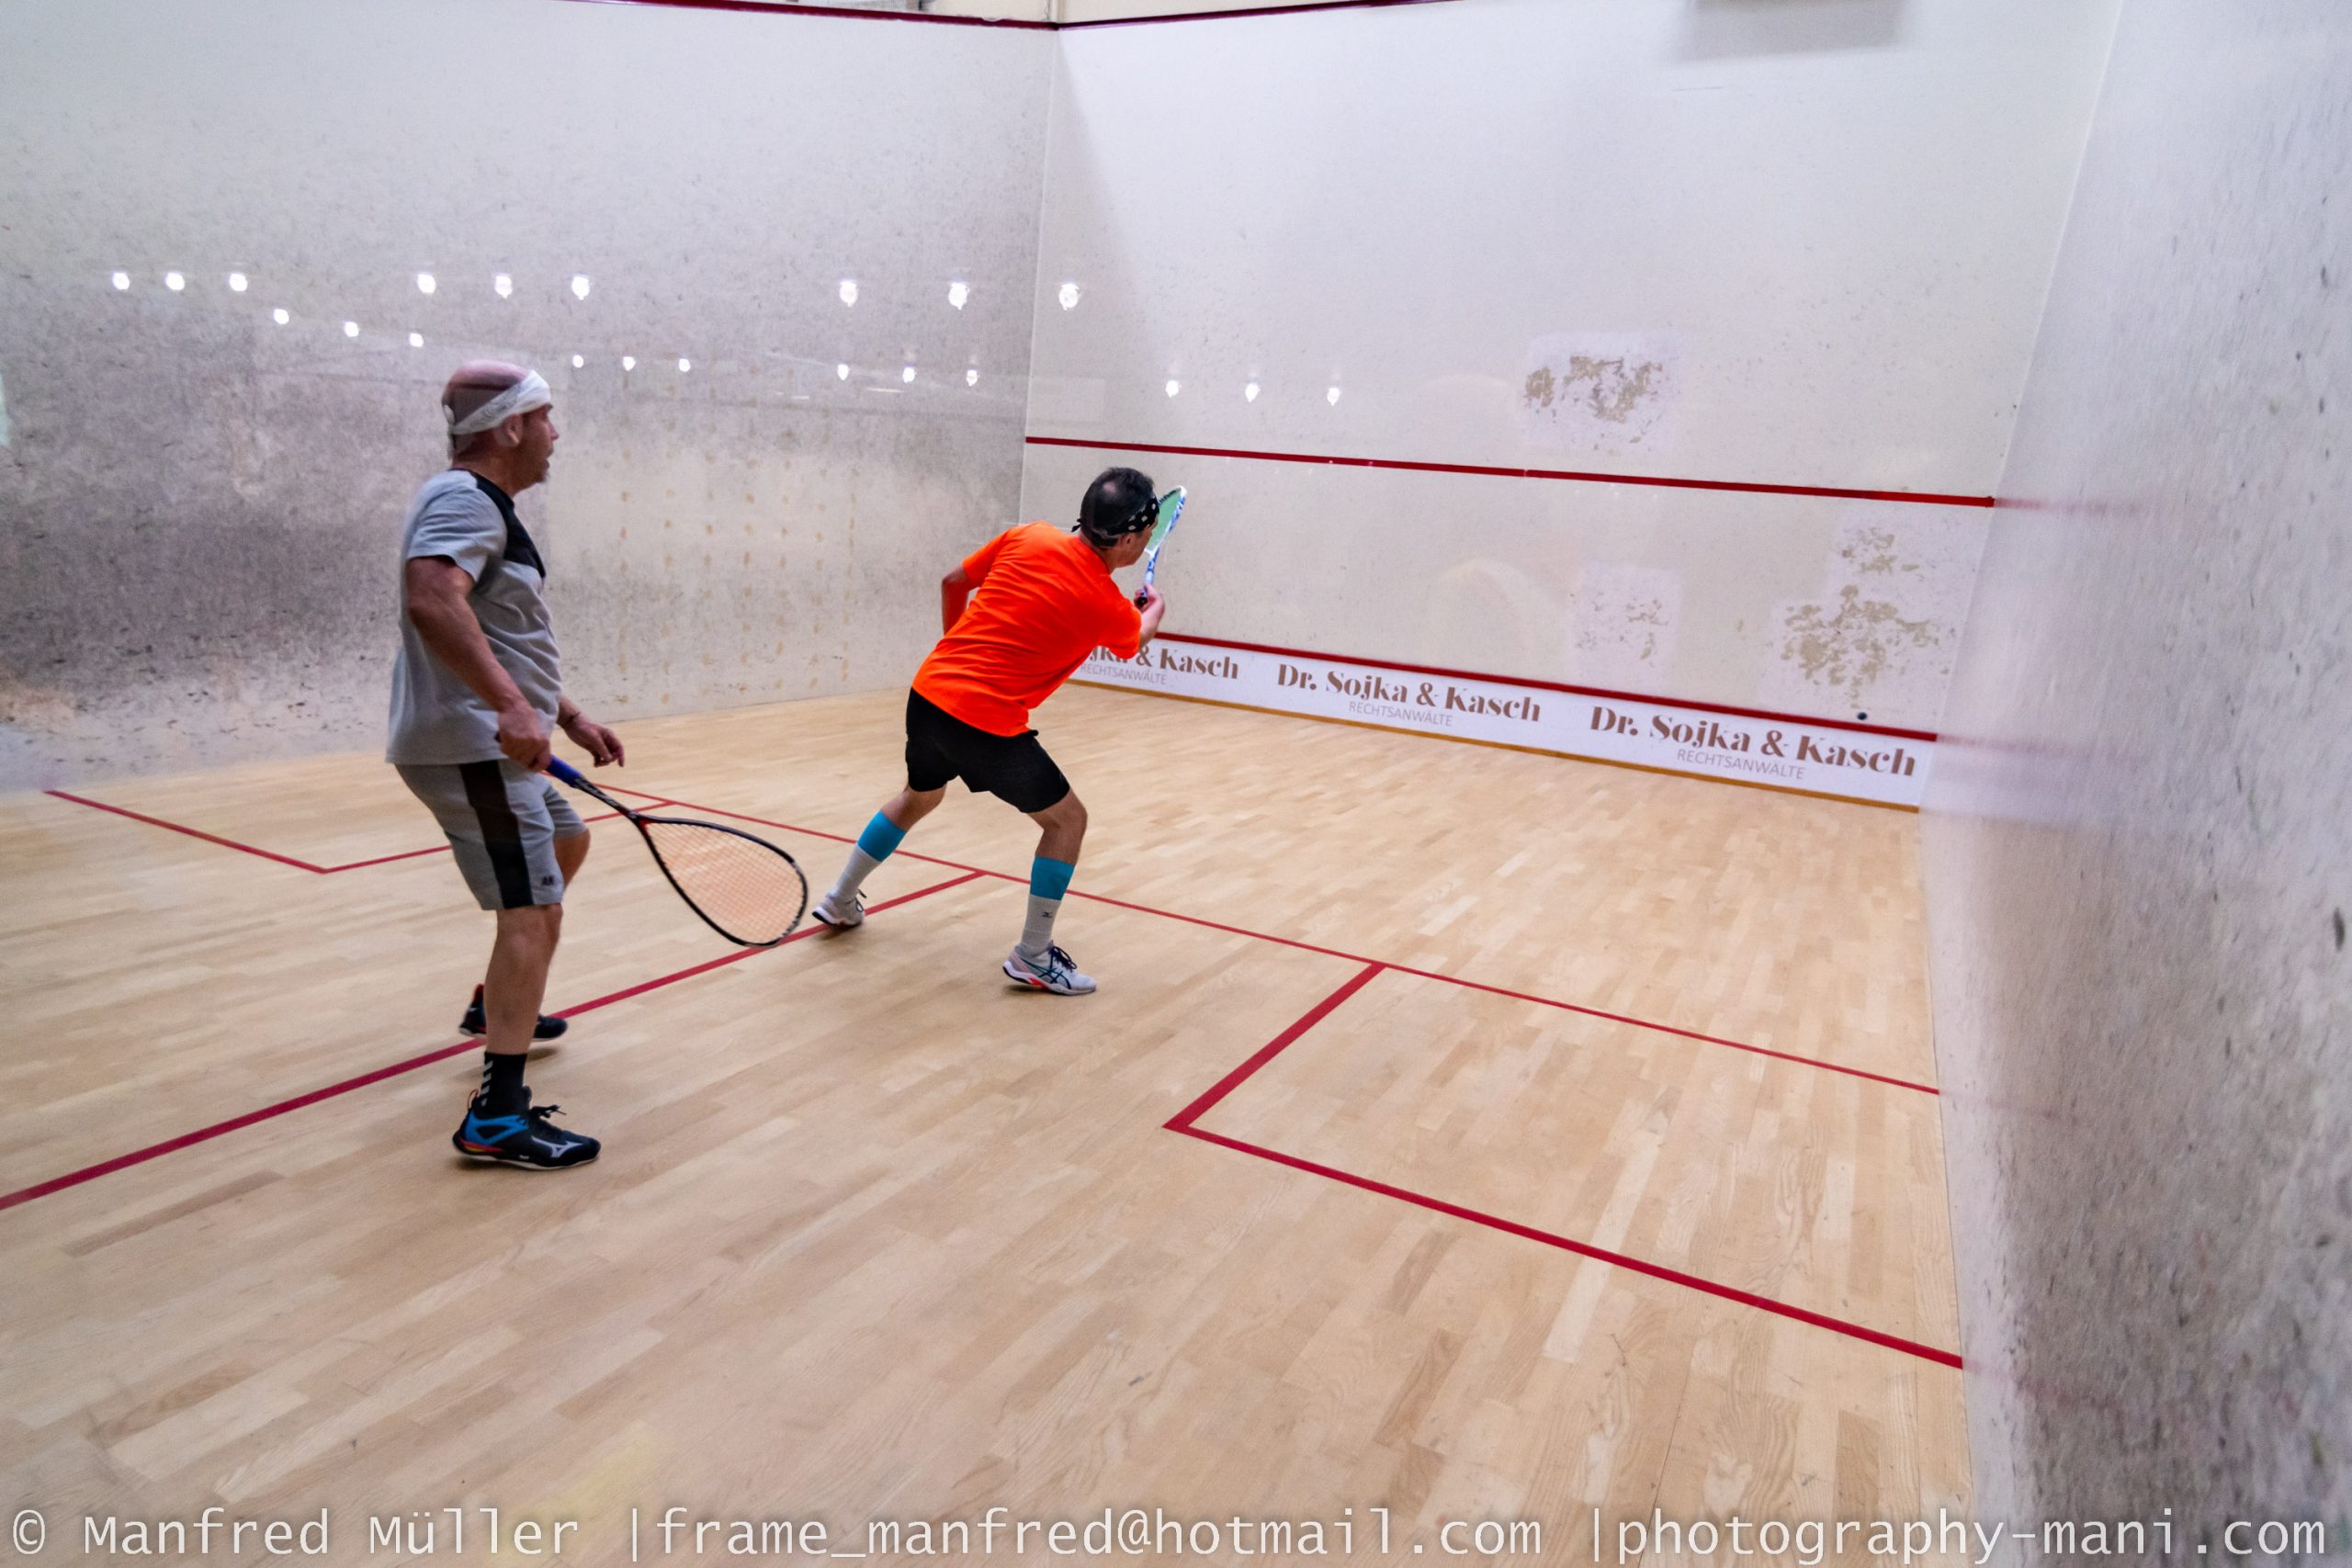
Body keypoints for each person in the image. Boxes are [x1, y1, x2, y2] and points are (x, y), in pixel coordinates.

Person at [387, 360, 625, 1169]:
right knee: (531, 912)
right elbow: (431, 598)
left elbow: (498, 632)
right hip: (474, 747)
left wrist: (566, 713)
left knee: (567, 839)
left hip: (488, 740)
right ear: (511, 426)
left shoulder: (482, 506)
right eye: (546, 417)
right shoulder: (464, 498)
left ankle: (496, 1004)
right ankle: (495, 1117)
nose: (556, 434)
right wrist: (511, 708)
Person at [809, 468, 1170, 995]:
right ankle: (1033, 955)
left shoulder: (1029, 535)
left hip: (929, 695)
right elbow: (1135, 638)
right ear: (1131, 539)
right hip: (984, 723)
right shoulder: (1105, 604)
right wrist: (1156, 609)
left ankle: (840, 898)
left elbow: (952, 582)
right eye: (1149, 532)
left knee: (919, 796)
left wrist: (958, 650)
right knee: (1067, 822)